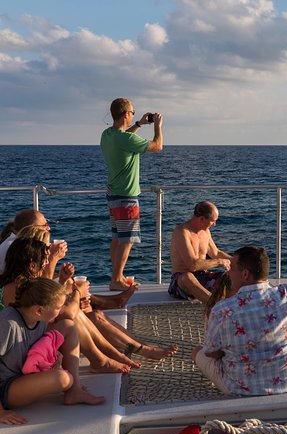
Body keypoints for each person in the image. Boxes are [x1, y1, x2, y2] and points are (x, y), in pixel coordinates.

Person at [193, 246, 287, 396]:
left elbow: (212, 353)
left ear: (245, 274)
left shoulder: (222, 310)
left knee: (198, 353)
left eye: (231, 268)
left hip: (239, 389)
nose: (228, 272)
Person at [0, 238, 136, 373]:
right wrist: (77, 291)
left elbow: (49, 306)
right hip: (25, 345)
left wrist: (63, 282)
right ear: (32, 265)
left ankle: (115, 354)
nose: (47, 263)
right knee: (73, 318)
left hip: (33, 335)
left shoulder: (25, 282)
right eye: (45, 260)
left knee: (85, 315)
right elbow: (63, 313)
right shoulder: (17, 287)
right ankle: (105, 359)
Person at [0, 278, 105, 425]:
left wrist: (55, 357)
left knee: (68, 325)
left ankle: (74, 392)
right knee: (63, 379)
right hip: (6, 388)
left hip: (24, 374)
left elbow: (39, 344)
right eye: (58, 307)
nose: (62, 310)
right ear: (39, 310)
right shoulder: (8, 324)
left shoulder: (38, 318)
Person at [100, 97, 163, 291]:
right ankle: (116, 280)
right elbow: (157, 146)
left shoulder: (108, 135)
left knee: (117, 238)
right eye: (133, 113)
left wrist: (139, 124)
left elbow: (124, 136)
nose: (134, 115)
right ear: (126, 114)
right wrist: (157, 126)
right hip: (126, 196)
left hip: (113, 194)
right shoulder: (126, 139)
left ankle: (116, 276)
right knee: (127, 240)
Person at [169, 201, 232, 303]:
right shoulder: (182, 232)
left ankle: (236, 305)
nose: (214, 225)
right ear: (202, 218)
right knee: (187, 277)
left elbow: (216, 253)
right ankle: (215, 306)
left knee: (226, 276)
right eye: (213, 221)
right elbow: (192, 265)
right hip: (180, 282)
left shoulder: (206, 232)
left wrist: (238, 262)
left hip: (202, 277)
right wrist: (220, 262)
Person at [0, 209, 59, 275]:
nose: (48, 228)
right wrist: (53, 258)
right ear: (31, 229)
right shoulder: (19, 249)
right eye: (44, 225)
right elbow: (41, 282)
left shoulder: (14, 242)